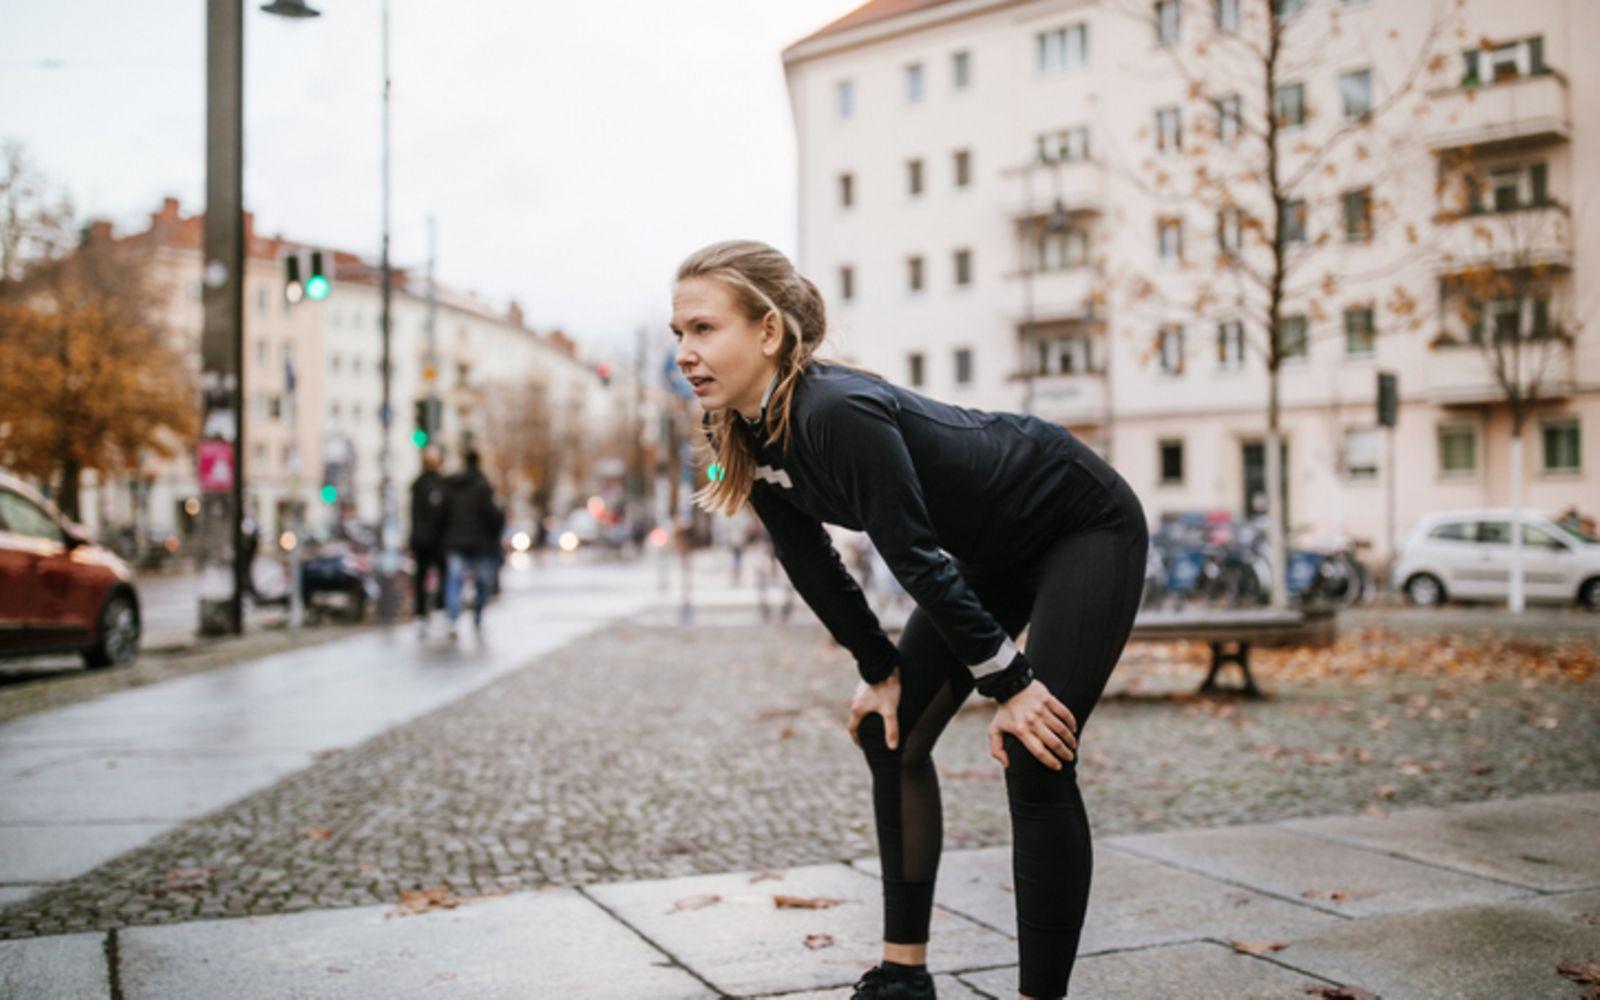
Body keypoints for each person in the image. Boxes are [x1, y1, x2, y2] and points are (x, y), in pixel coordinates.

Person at [671, 241, 1149, 1000]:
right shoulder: (742, 431)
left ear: (767, 332)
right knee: (886, 734)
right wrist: (879, 672)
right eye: (679, 336)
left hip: (1078, 522)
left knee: (1037, 749)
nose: (687, 353)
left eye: (703, 329)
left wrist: (1014, 685)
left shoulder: (837, 411)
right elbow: (812, 563)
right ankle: (903, 975)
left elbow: (914, 557)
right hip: (992, 557)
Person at [440, 449, 505, 638]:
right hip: (481, 545)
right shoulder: (483, 486)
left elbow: (442, 516)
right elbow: (493, 517)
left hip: (456, 542)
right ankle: (477, 616)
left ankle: (453, 617)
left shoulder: (451, 486)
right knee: (482, 583)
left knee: (454, 581)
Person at [408, 446, 449, 633]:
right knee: (438, 575)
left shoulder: (418, 484)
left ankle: (422, 614)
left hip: (423, 539)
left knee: (422, 576)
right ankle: (435, 611)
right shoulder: (440, 484)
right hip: (435, 540)